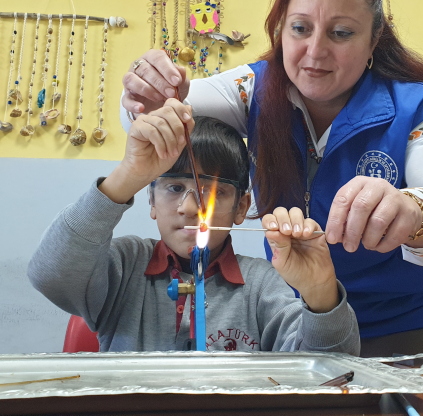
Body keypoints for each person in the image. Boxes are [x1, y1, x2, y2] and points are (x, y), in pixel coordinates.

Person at [119, 0, 423, 358]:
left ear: (373, 39)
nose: (316, 52)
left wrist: (415, 213)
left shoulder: (413, 111)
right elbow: (151, 119)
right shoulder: (255, 90)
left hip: (417, 325)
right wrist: (146, 95)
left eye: (341, 33)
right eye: (301, 28)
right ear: (281, 29)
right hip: (308, 322)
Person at [29, 100, 360, 354]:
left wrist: (320, 295)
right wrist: (124, 177)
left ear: (241, 208)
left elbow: (327, 372)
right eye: (174, 188)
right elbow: (48, 273)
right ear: (151, 201)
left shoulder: (261, 286)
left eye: (211, 193)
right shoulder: (125, 265)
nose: (189, 208)